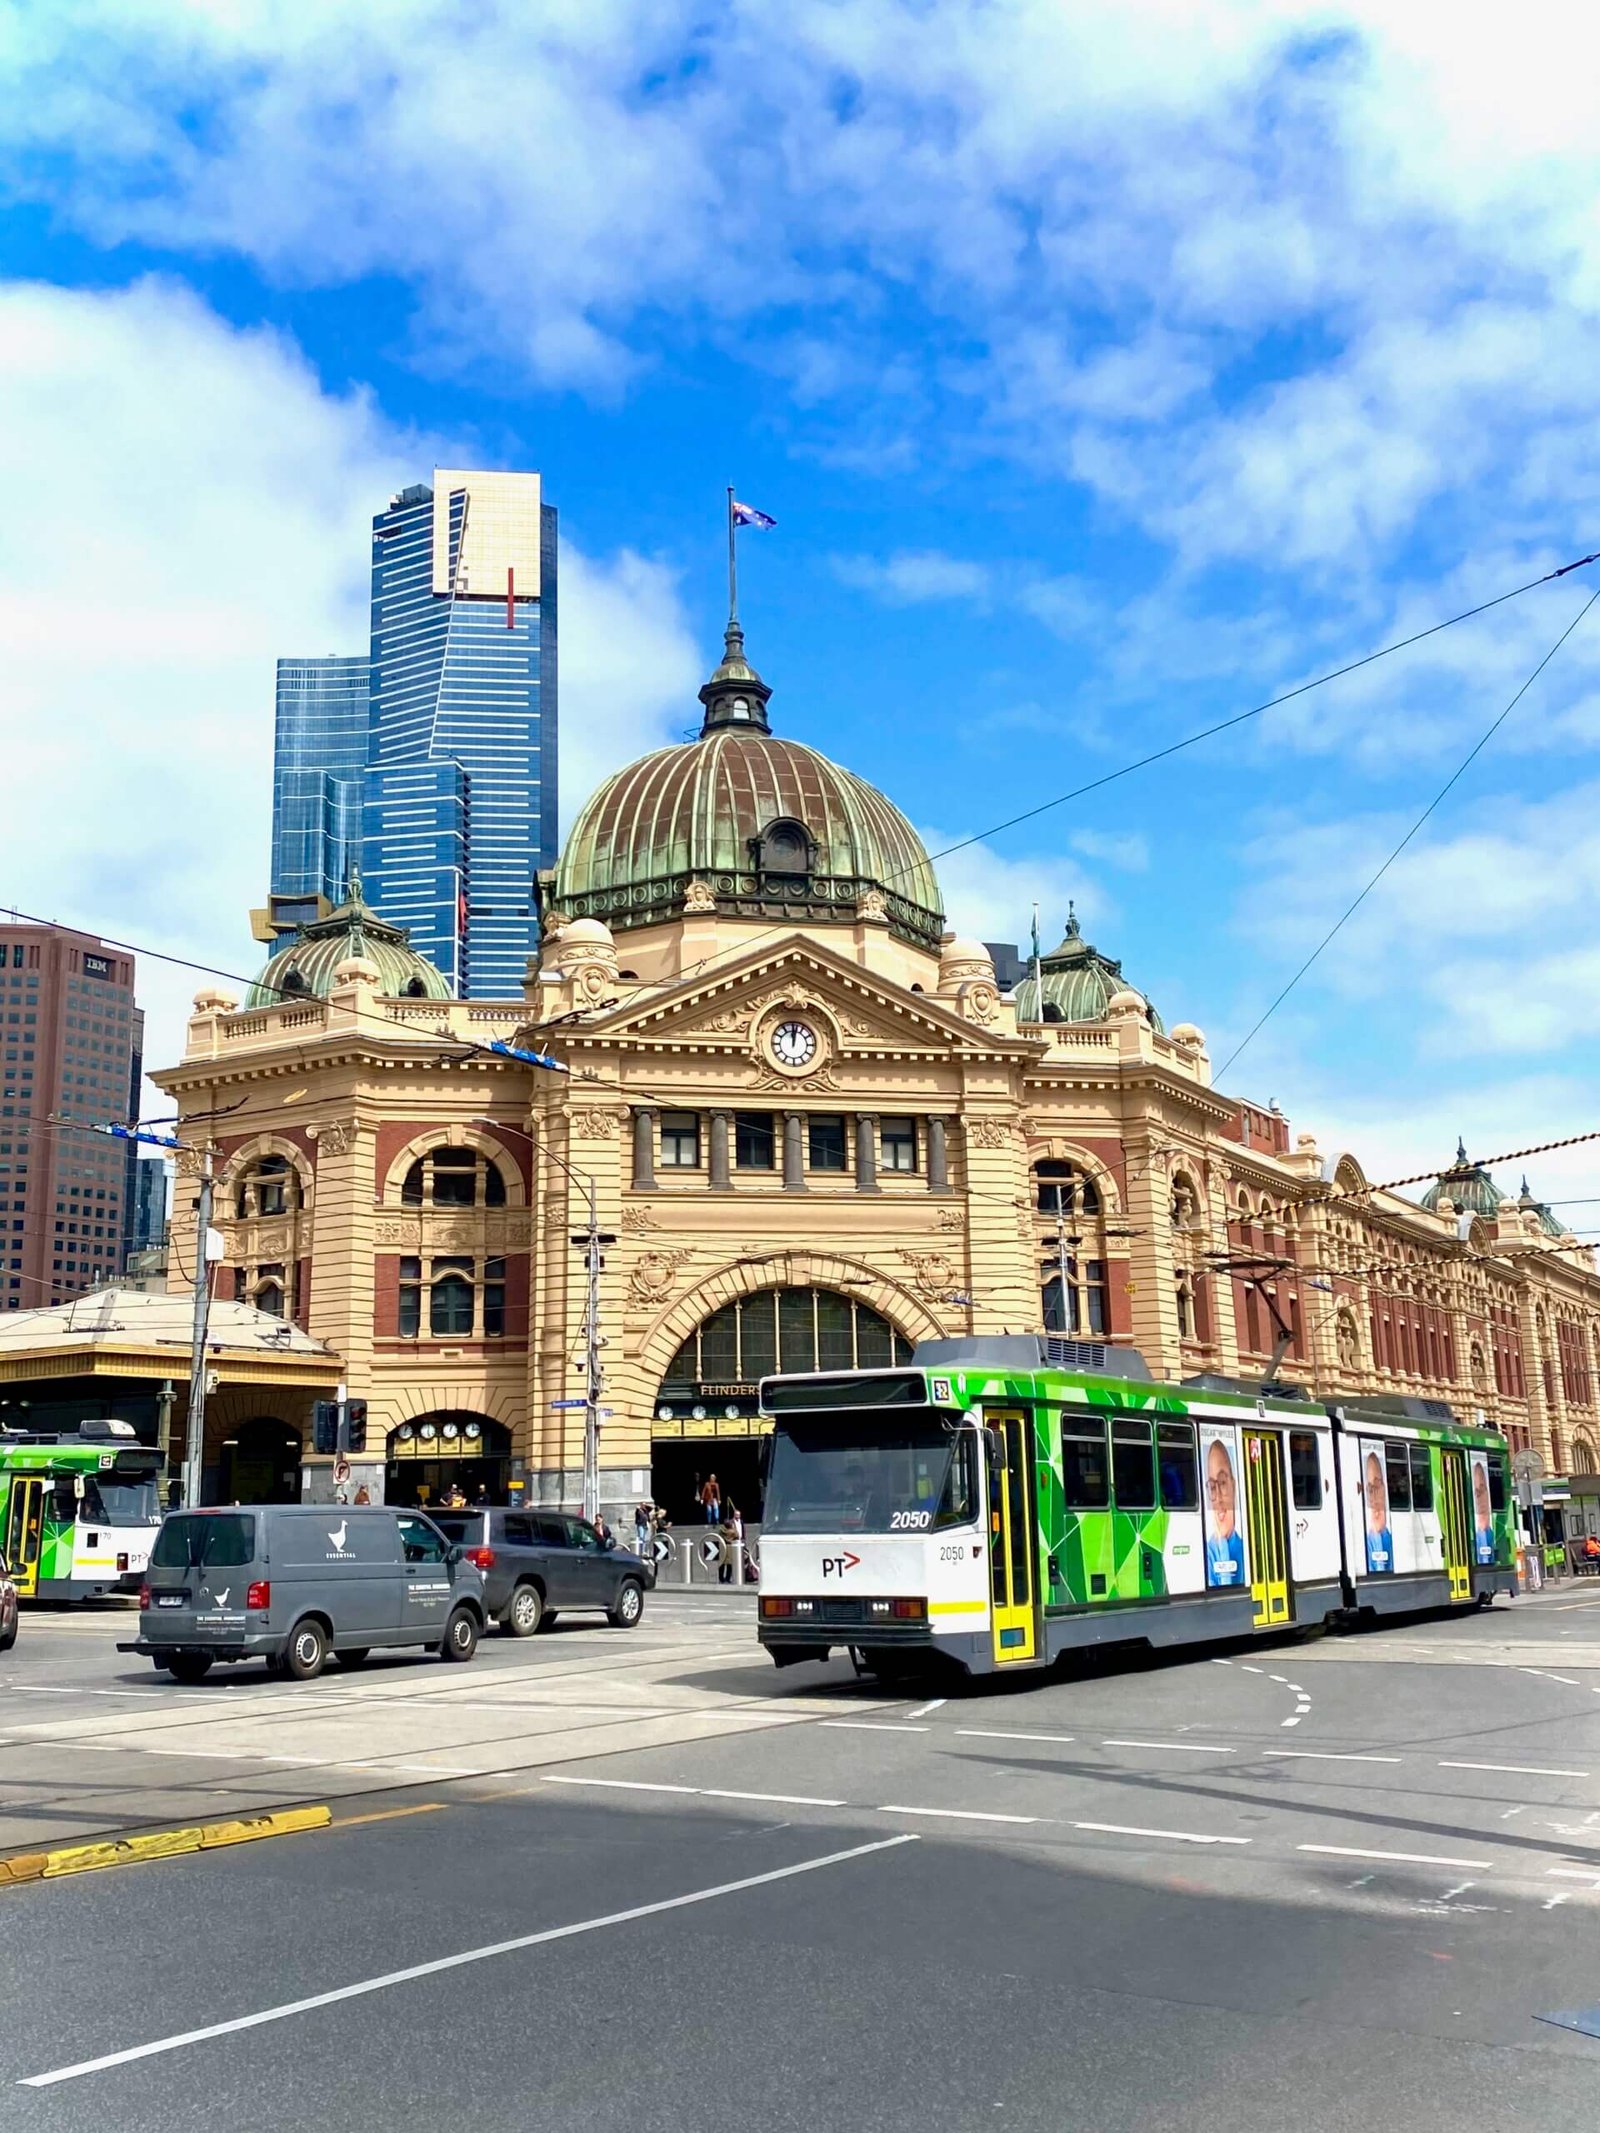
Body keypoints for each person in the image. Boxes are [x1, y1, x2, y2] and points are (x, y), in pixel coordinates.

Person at [1203, 1438, 1245, 1587]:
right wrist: (1221, 1543)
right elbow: (1224, 1592)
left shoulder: (1246, 1546)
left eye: (1222, 1483)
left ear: (1233, 1486)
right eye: (1213, 1488)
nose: (1219, 1498)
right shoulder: (1207, 1552)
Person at [1364, 1450, 1393, 1573]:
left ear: (1384, 1489)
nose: (1375, 1496)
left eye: (1378, 1486)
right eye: (1371, 1489)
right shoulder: (1365, 1544)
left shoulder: (1393, 1540)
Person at [1471, 1459, 1495, 1565]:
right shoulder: (1473, 1537)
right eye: (1476, 1492)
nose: (1479, 1496)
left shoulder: (1495, 1534)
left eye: (1482, 1488)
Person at [718, 1504, 743, 1584]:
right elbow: (738, 1536)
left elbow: (718, 1536)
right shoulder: (733, 1531)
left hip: (722, 1547)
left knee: (721, 1564)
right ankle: (728, 1578)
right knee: (729, 1565)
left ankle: (721, 1578)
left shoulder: (721, 1531)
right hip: (731, 1548)